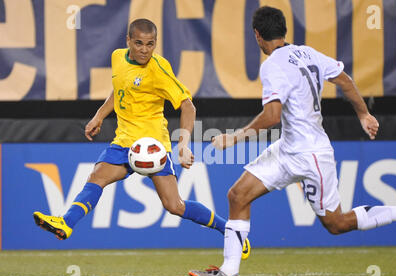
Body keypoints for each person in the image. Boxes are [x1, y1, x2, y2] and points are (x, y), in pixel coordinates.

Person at [188, 6, 396, 276]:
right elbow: (345, 80)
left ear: (257, 35)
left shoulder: (271, 66)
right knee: (237, 195)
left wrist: (234, 138)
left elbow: (271, 116)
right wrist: (363, 114)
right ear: (284, 31)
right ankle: (228, 273)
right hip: (287, 149)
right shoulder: (308, 53)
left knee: (337, 224)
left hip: (311, 155)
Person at [33, 18, 250, 259]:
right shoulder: (117, 57)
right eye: (139, 43)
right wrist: (98, 116)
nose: (145, 50)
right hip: (124, 141)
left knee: (174, 205)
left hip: (153, 147)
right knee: (96, 177)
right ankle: (66, 222)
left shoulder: (159, 69)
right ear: (128, 41)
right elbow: (120, 90)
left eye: (150, 44)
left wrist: (183, 145)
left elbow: (188, 106)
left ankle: (230, 231)